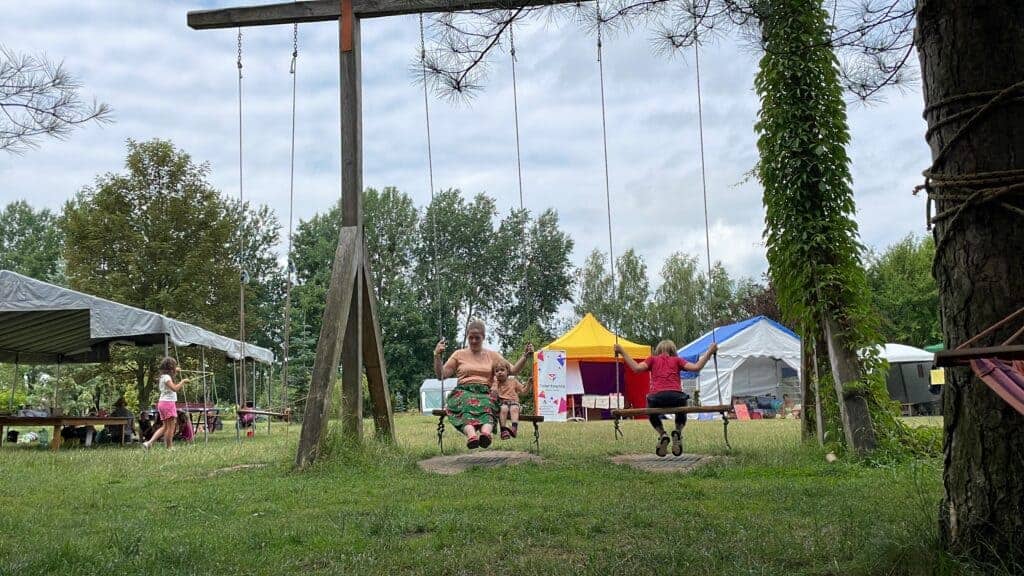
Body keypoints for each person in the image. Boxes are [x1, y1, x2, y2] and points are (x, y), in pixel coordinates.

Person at [433, 320, 532, 449]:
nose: (473, 341)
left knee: (489, 405)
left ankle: (485, 434)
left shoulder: (492, 355)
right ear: (467, 336)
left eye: (477, 338)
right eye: (471, 337)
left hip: (486, 392)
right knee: (466, 403)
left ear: (483, 337)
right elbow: (441, 375)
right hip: (464, 391)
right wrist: (437, 355)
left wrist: (525, 356)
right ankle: (472, 436)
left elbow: (512, 370)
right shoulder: (459, 354)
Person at [615, 340, 718, 457]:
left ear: (658, 351)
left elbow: (636, 368)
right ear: (673, 351)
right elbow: (696, 367)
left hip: (657, 398)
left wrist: (622, 351)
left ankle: (662, 434)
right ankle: (678, 432)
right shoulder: (677, 360)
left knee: (651, 409)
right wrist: (710, 351)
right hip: (676, 396)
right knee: (682, 407)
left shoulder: (652, 359)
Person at [142, 357, 189, 450]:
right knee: (171, 427)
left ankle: (149, 443)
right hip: (168, 404)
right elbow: (174, 388)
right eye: (174, 366)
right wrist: (182, 382)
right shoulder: (167, 377)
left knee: (165, 427)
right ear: (171, 367)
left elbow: (171, 377)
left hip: (162, 403)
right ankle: (169, 447)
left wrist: (175, 370)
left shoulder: (163, 376)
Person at [492, 359, 530, 440]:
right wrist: (495, 383)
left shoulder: (513, 381)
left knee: (514, 408)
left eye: (502, 370)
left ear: (508, 371)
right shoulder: (496, 384)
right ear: (494, 374)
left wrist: (529, 383)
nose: (499, 372)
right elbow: (493, 394)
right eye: (497, 371)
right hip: (503, 404)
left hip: (514, 403)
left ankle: (514, 429)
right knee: (503, 408)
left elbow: (524, 391)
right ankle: (503, 430)